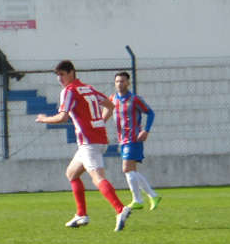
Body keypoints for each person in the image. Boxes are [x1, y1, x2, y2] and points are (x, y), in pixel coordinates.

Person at [35, 60, 131, 232]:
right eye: (57, 75)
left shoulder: (69, 91)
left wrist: (44, 119)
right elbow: (110, 106)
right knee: (72, 173)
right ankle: (81, 215)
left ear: (71, 73)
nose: (59, 78)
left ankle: (120, 208)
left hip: (89, 142)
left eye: (62, 74)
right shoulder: (87, 88)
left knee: (98, 178)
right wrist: (99, 124)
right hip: (97, 139)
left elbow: (62, 117)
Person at [110, 71, 161, 211]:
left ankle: (139, 199)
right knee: (132, 171)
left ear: (128, 83)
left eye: (122, 81)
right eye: (117, 81)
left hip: (133, 138)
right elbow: (105, 114)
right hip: (122, 139)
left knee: (126, 169)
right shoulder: (112, 99)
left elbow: (150, 113)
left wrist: (146, 130)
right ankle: (151, 197)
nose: (119, 84)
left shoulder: (134, 99)